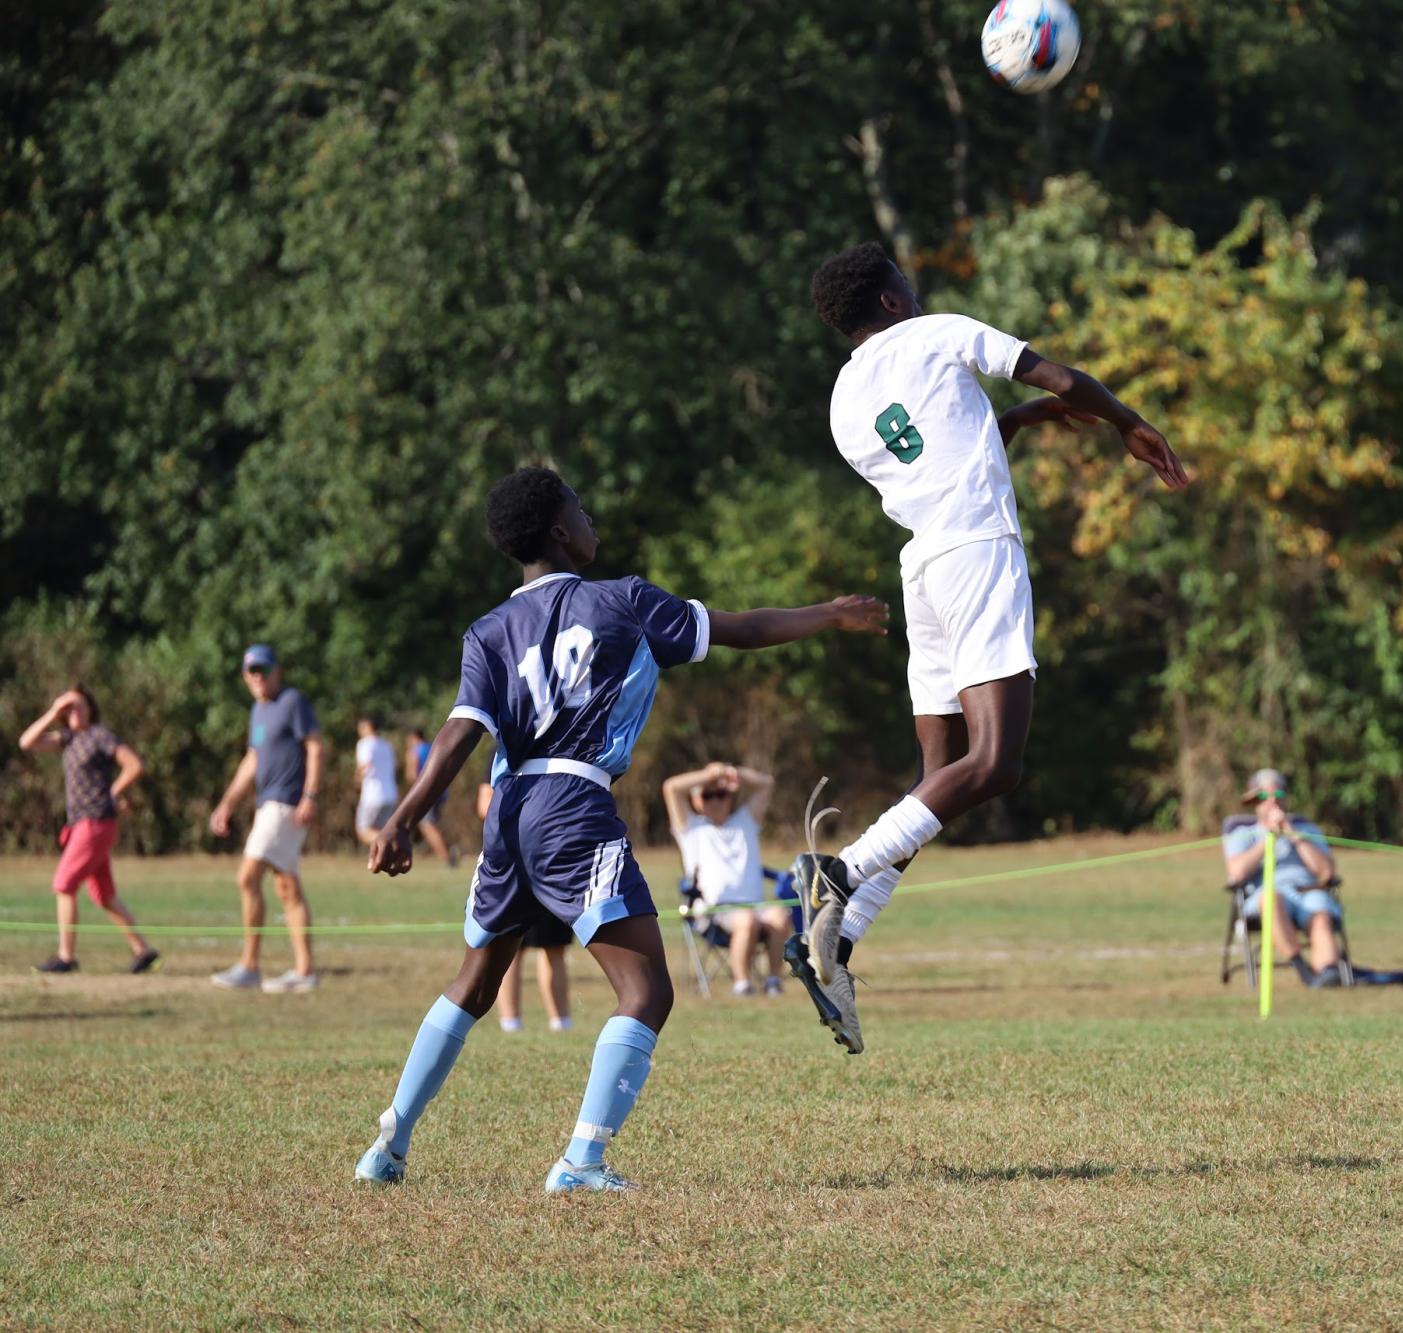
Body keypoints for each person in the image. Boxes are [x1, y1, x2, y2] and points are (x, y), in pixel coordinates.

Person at [352, 465, 885, 1193]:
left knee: (473, 983)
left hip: (507, 811)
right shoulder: (623, 601)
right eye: (578, 502)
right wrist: (829, 612)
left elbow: (457, 733)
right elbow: (744, 628)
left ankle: (388, 1144)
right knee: (645, 991)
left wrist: (402, 818)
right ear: (559, 531)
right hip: (573, 806)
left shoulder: (487, 631)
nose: (589, 509)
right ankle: (581, 1162)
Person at [786, 241, 1188, 1055]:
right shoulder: (937, 331)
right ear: (892, 299)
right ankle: (838, 871)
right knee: (997, 762)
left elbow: (944, 457)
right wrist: (1128, 424)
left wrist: (1025, 423)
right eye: (904, 277)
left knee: (936, 779)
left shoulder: (841, 399)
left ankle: (839, 938)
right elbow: (1060, 376)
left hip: (923, 566)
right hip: (977, 550)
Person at [16, 687, 157, 974]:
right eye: (68, 709)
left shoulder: (99, 736)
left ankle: (66, 956)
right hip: (82, 825)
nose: (73, 713)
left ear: (91, 709)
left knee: (64, 884)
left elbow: (134, 764)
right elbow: (26, 742)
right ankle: (143, 950)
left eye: (78, 706)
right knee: (103, 894)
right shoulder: (68, 740)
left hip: (95, 823)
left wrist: (115, 791)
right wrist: (53, 712)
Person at [207, 644, 322, 994]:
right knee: (287, 888)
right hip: (266, 805)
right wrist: (227, 803)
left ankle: (250, 965)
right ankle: (304, 971)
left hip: (285, 805)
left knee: (247, 877)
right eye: (251, 671)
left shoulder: (292, 702)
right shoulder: (258, 712)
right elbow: (252, 760)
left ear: (277, 671)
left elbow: (315, 746)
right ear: (245, 676)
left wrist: (310, 795)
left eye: (263, 670)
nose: (258, 677)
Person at [665, 761, 786, 997]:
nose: (716, 800)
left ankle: (773, 982)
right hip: (712, 913)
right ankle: (742, 985)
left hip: (756, 907)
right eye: (708, 795)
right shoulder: (690, 828)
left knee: (780, 916)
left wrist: (734, 773)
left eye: (721, 794)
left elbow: (767, 784)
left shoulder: (746, 822)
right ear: (696, 800)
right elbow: (672, 788)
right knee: (746, 920)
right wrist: (708, 775)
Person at [1221, 768, 1346, 986]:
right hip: (1267, 896)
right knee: (1271, 897)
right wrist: (1267, 839)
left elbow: (1327, 871)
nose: (1271, 801)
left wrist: (1292, 834)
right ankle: (1304, 972)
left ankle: (1328, 974)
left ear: (1286, 798)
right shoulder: (1242, 833)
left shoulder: (1306, 829)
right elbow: (1237, 872)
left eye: (1277, 795)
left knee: (1320, 916)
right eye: (1263, 796)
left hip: (1308, 892)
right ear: (1253, 801)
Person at [481, 776, 573, 1034]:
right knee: (509, 947)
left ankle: (561, 1023)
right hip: (512, 861)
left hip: (551, 860)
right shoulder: (503, 748)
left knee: (553, 945)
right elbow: (484, 803)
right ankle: (510, 1023)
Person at [404, 726, 460, 866]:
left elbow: (411, 775)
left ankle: (447, 857)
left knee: (427, 825)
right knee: (432, 824)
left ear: (413, 737)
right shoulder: (432, 747)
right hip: (440, 791)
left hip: (425, 792)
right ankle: (448, 849)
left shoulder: (415, 750)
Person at [354, 715, 398, 847]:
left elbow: (365, 764)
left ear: (367, 727)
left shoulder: (365, 743)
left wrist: (357, 778)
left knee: (363, 830)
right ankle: (383, 858)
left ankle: (394, 845)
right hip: (390, 794)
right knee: (381, 830)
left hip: (373, 795)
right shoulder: (386, 745)